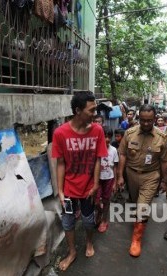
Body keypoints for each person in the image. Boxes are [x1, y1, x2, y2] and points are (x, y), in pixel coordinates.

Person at [52, 91, 108, 271]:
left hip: (88, 189)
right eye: (91, 110)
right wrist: (60, 191)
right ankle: (71, 252)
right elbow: (60, 163)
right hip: (68, 189)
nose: (95, 114)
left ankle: (89, 242)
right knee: (68, 222)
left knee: (88, 220)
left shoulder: (97, 130)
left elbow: (98, 158)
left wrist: (96, 184)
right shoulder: (60, 133)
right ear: (78, 110)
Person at [116, 104, 167, 257]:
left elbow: (165, 161)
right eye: (143, 120)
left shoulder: (162, 137)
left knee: (142, 207)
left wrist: (164, 180)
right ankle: (138, 218)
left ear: (155, 119)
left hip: (151, 175)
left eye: (150, 120)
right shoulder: (129, 133)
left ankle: (136, 240)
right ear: (139, 118)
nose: (146, 124)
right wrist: (120, 176)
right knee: (134, 201)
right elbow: (122, 155)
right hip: (131, 174)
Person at [95, 126, 119, 233]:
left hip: (109, 179)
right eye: (104, 136)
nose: (107, 139)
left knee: (106, 200)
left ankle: (104, 220)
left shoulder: (113, 150)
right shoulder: (95, 148)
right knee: (95, 201)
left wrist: (115, 183)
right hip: (97, 179)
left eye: (109, 136)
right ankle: (99, 212)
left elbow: (115, 167)